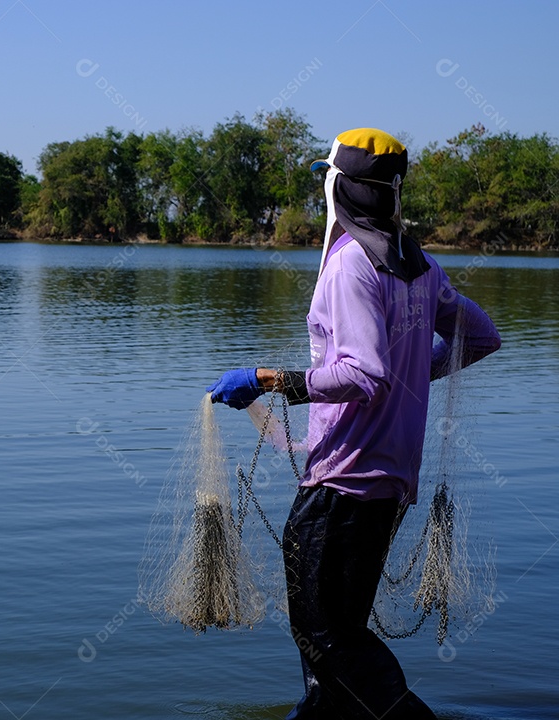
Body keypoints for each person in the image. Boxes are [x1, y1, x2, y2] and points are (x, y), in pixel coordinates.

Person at [206, 128, 501, 720]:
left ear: (344, 189)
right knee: (332, 642)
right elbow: (483, 337)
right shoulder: (420, 269)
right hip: (389, 486)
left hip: (342, 484)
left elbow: (362, 375)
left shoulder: (349, 267)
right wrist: (413, 371)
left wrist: (269, 380)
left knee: (325, 634)